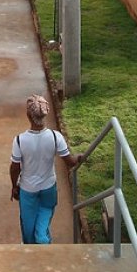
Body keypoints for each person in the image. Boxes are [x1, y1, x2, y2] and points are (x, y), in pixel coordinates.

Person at [9, 94, 84, 244]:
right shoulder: (56, 137)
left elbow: (15, 167)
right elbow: (70, 161)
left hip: (28, 190)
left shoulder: (19, 140)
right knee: (43, 222)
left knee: (28, 228)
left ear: (28, 116)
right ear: (46, 113)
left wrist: (14, 186)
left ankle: (33, 252)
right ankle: (44, 241)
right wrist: (79, 157)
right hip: (49, 188)